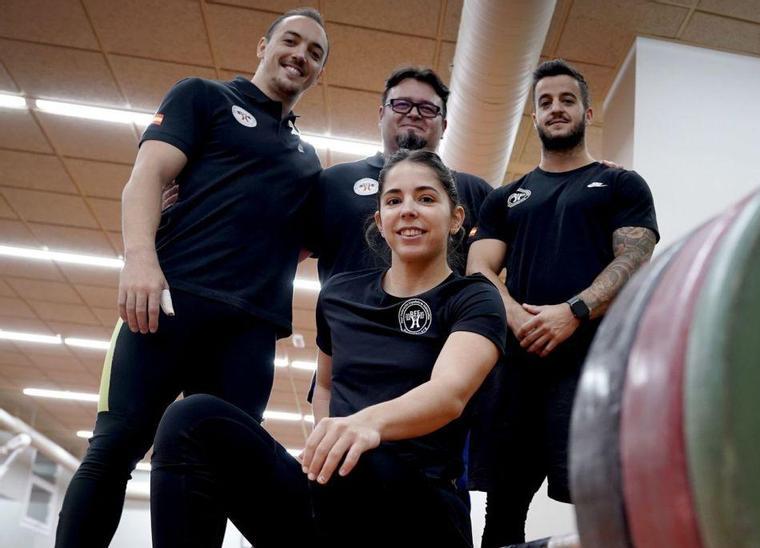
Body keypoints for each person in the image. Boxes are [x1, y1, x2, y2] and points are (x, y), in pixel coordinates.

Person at [55, 8, 329, 547]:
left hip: (248, 336)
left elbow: (298, 240)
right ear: (262, 46)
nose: (300, 55)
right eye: (291, 41)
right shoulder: (204, 97)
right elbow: (147, 177)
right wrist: (139, 258)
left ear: (319, 73)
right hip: (167, 304)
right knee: (113, 450)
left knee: (213, 467)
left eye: (315, 53)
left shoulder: (307, 159)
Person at [150, 149, 505, 548]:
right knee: (193, 418)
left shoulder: (474, 298)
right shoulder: (339, 293)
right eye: (393, 201)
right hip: (337, 497)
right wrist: (327, 440)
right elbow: (326, 385)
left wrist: (365, 425)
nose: (408, 210)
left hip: (424, 509)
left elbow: (450, 393)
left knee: (360, 458)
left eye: (425, 198)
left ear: (456, 218)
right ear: (380, 222)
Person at [467, 59, 660, 547]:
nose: (556, 109)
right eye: (545, 102)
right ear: (533, 117)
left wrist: (572, 311)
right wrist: (513, 312)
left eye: (566, 100)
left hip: (592, 369)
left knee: (605, 509)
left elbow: (636, 257)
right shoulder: (506, 198)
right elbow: (479, 267)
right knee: (502, 515)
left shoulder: (620, 184)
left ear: (588, 111)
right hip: (517, 371)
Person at [307, 66, 491, 280]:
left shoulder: (475, 192)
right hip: (347, 313)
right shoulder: (335, 182)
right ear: (381, 114)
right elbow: (283, 255)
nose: (413, 114)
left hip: (445, 313)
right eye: (401, 104)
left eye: (428, 108)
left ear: (444, 126)